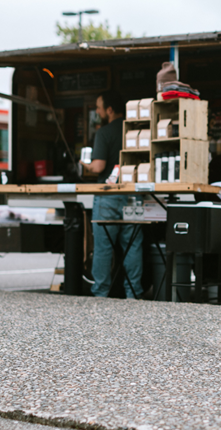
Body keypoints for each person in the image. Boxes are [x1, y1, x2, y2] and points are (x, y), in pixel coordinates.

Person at [83, 89, 143, 299]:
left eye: (99, 107)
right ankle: (133, 293)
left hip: (108, 195)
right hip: (134, 193)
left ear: (109, 110)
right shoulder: (135, 131)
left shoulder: (104, 132)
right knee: (133, 244)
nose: (97, 111)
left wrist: (86, 166)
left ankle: (100, 294)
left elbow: (99, 167)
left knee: (103, 248)